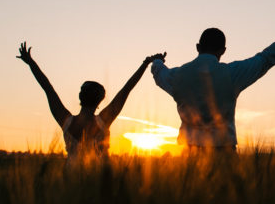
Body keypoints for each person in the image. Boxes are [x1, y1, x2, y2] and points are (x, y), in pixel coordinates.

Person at [151, 9, 275, 150]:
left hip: (187, 154)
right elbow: (267, 57)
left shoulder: (178, 76)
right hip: (224, 153)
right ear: (223, 50)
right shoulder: (232, 74)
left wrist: (157, 60)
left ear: (198, 47)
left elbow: (160, 74)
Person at [17, 42, 165, 160]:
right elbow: (126, 89)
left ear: (80, 97)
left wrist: (31, 62)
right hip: (98, 184)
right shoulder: (103, 120)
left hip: (71, 183)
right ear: (100, 101)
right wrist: (146, 64)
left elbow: (47, 88)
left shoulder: (66, 121)